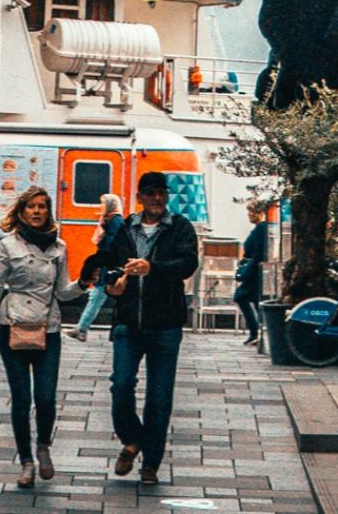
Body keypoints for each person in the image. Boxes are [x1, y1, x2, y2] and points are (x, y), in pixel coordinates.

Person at [0, 186, 88, 490]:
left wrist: (84, 283)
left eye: (42, 206)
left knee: (45, 396)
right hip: (13, 325)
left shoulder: (59, 248)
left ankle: (43, 445)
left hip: (48, 328)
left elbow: (63, 292)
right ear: (22, 211)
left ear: (48, 211)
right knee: (21, 398)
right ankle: (26, 461)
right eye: (31, 207)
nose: (37, 211)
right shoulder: (7, 246)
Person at [100, 170, 200, 485]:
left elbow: (187, 264)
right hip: (128, 323)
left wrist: (152, 268)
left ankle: (150, 465)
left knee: (159, 397)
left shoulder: (180, 227)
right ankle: (132, 438)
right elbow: (108, 264)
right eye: (151, 193)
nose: (157, 199)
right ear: (140, 197)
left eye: (162, 193)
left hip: (165, 325)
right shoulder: (126, 228)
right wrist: (110, 285)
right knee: (121, 385)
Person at [68, 193, 124, 341]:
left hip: (107, 266)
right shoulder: (110, 219)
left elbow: (111, 244)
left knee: (96, 297)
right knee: (97, 297)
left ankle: (81, 329)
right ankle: (82, 328)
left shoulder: (115, 220)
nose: (101, 207)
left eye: (104, 204)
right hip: (105, 265)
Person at [235, 200, 270, 345]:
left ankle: (255, 331)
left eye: (252, 212)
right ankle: (257, 332)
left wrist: (247, 271)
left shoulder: (261, 229)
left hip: (254, 272)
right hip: (255, 271)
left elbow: (258, 253)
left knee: (241, 297)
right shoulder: (259, 228)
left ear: (260, 213)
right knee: (255, 301)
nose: (249, 215)